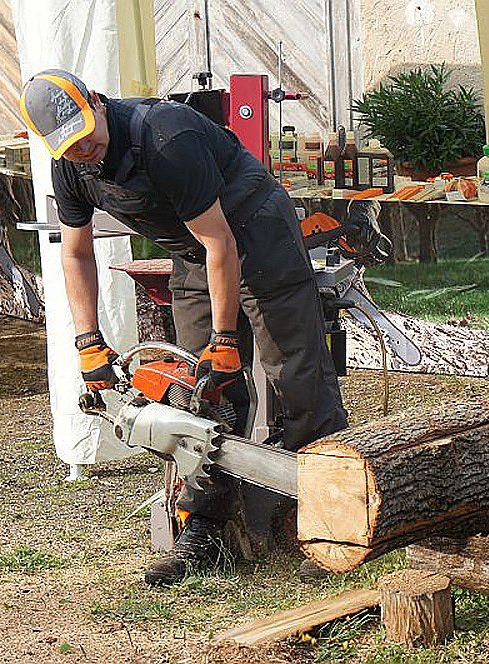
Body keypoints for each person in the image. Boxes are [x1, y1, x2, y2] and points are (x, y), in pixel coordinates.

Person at [19, 70, 348, 586]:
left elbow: (222, 242)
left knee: (296, 374)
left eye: (85, 134)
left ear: (97, 102)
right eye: (69, 146)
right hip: (194, 253)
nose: (83, 150)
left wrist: (225, 341)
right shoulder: (70, 169)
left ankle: (333, 524)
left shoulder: (166, 137)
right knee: (199, 396)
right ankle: (205, 531)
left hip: (256, 232)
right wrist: (87, 342)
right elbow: (76, 255)